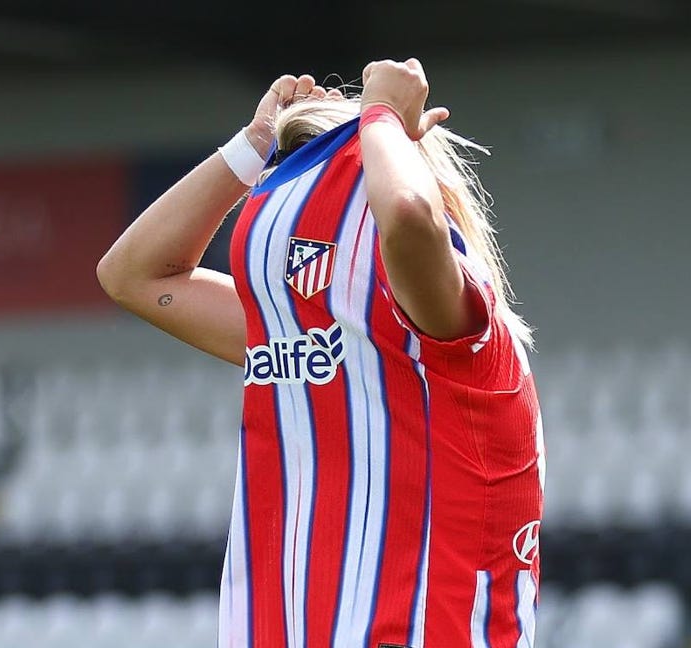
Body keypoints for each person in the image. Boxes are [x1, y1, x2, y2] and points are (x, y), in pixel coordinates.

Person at [97, 58, 544, 648]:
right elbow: (131, 273)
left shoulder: (454, 324)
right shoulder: (322, 328)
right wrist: (253, 146)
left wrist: (381, 116)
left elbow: (409, 218)